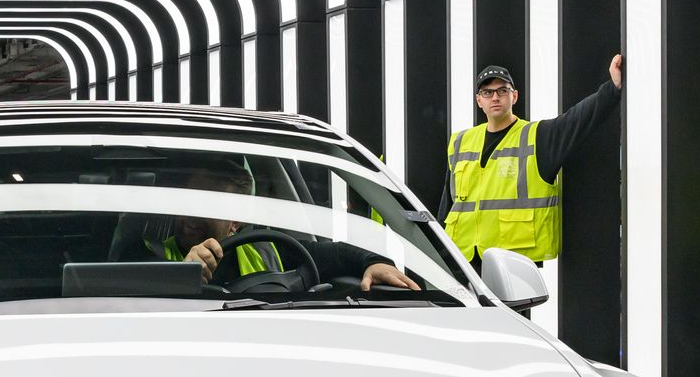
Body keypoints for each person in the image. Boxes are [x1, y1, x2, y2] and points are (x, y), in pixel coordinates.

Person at [442, 55, 624, 263]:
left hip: (512, 263)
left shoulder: (537, 137)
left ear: (515, 96)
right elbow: (447, 206)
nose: (495, 97)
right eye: (487, 92)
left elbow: (577, 119)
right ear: (479, 100)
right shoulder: (461, 142)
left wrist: (613, 87)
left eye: (503, 91)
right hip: (461, 261)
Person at [152, 157, 419, 291]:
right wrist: (181, 277)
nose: (191, 216)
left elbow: (337, 254)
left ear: (236, 222)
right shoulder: (146, 254)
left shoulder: (268, 249)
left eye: (208, 207)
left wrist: (374, 263)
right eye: (187, 202)